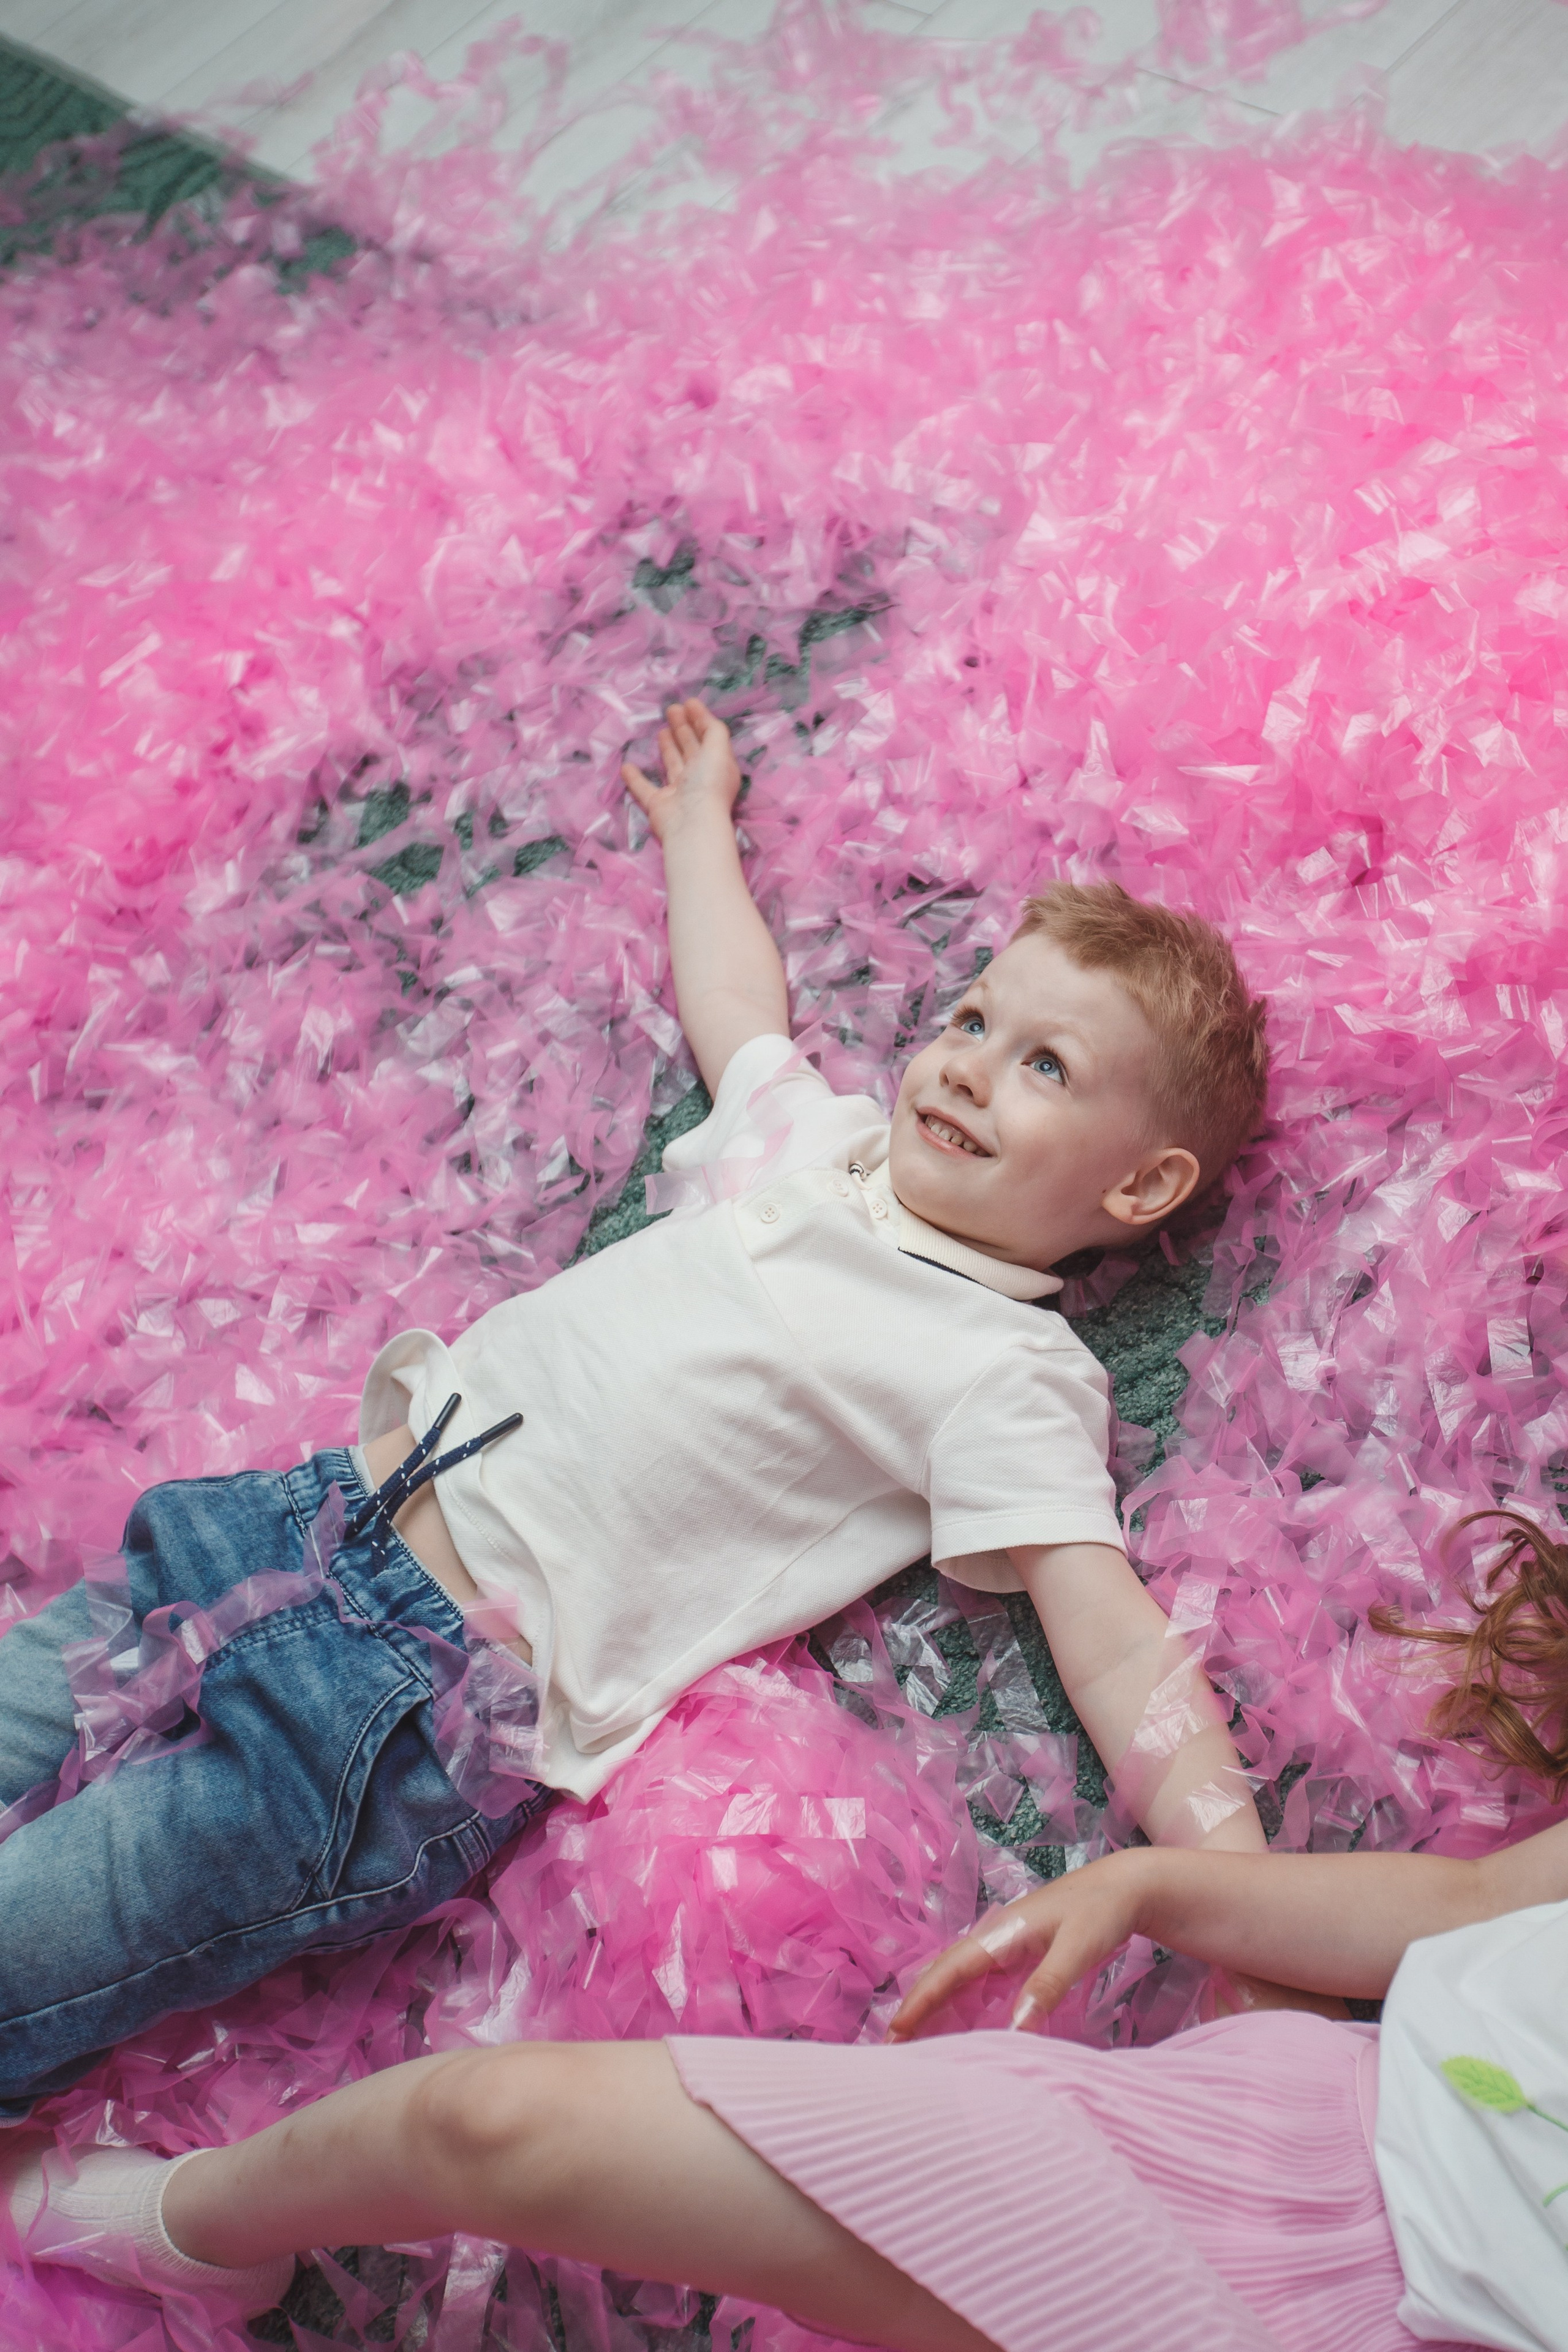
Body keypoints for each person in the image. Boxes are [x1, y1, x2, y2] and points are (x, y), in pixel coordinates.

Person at [0, 695, 1275, 2123]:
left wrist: (1242, 1900)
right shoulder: (819, 1147)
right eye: (973, 1018)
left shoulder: (1004, 1369)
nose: (969, 1062)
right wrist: (696, 834)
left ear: (1140, 1189)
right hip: (301, 1515)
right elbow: (737, 1010)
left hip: (410, 1707)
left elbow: (1110, 1644)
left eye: (1045, 1066)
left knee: (53, 1923)